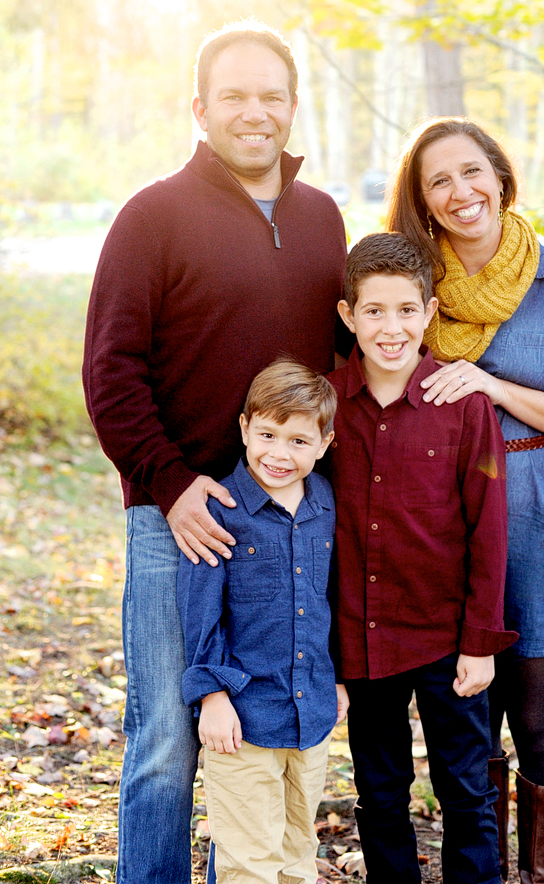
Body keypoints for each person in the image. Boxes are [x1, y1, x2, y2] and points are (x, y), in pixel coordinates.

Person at [82, 22, 348, 884]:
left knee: (266, 733)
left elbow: (339, 366)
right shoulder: (151, 215)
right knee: (166, 733)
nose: (254, 111)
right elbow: (109, 371)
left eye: (271, 94)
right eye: (233, 94)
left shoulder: (321, 219)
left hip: (287, 523)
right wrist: (169, 485)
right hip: (179, 520)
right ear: (200, 108)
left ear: (293, 107)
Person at [386, 118, 544, 884]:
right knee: (467, 731)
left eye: (471, 172)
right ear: (423, 203)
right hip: (443, 531)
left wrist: (493, 385)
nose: (461, 193)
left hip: (542, 524)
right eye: (439, 182)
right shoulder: (413, 293)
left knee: (538, 724)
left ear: (500, 176)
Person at [328, 232, 518, 884]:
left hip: (446, 639)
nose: (391, 327)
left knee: (467, 792)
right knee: (380, 797)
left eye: (407, 310)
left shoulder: (464, 408)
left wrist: (481, 641)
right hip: (362, 637)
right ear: (348, 315)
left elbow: (489, 531)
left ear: (430, 312)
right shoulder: (324, 407)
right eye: (374, 311)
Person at [177, 359, 348, 884]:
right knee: (248, 863)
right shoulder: (220, 510)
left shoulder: (325, 503)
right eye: (268, 434)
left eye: (299, 441)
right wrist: (212, 696)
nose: (280, 453)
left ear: (324, 444)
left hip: (310, 714)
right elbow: (200, 613)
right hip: (243, 720)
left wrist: (336, 677)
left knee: (298, 848)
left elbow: (328, 600)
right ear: (245, 427)